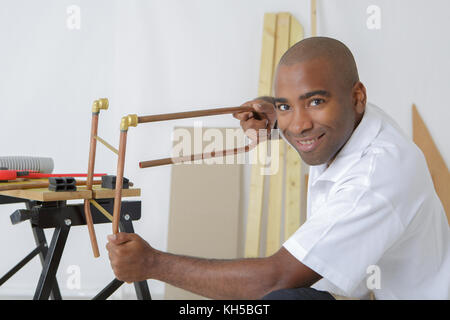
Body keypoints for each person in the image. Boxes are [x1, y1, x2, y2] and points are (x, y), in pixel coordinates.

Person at [106, 37, 449, 300]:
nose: (298, 125)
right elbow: (305, 118)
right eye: (287, 105)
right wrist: (273, 115)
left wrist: (153, 264)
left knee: (282, 297)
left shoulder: (378, 174)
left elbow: (276, 277)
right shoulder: (353, 124)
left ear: (356, 97)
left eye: (315, 101)